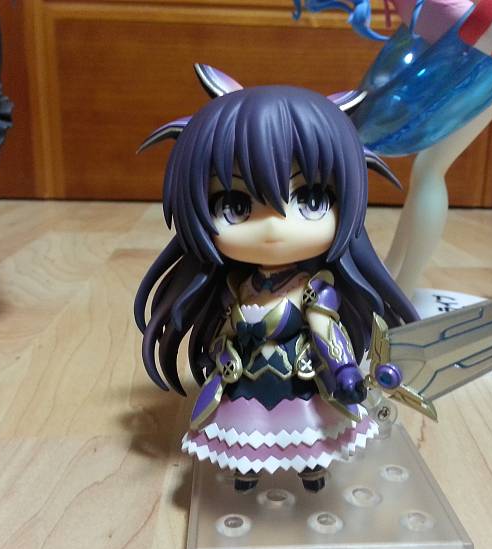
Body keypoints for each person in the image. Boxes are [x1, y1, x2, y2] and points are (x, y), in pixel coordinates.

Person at [135, 66, 418, 492]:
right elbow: (226, 327)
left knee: (310, 435)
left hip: (301, 381)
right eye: (235, 204)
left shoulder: (315, 289)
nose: (274, 227)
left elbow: (325, 330)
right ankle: (246, 471)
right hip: (247, 380)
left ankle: (312, 470)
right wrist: (219, 354)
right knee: (244, 437)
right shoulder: (236, 287)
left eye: (311, 199)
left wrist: (343, 369)